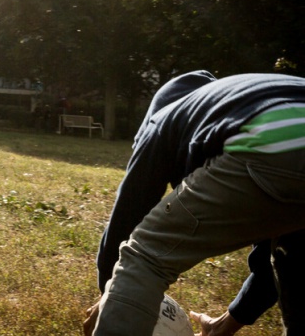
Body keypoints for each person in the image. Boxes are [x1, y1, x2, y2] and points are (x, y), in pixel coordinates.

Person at [87, 71, 305, 336]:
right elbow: (269, 267)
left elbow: (129, 213)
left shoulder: (163, 118)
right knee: (292, 262)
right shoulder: (238, 103)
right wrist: (225, 325)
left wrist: (110, 295)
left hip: (277, 139)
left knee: (146, 256)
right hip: (290, 127)